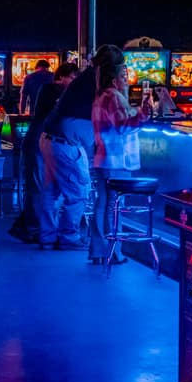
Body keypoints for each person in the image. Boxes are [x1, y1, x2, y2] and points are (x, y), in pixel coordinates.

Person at [90, 55, 148, 265]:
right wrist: (144, 113)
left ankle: (99, 251)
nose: (128, 80)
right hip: (116, 160)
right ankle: (114, 252)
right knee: (113, 206)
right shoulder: (114, 96)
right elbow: (123, 127)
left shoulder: (100, 96)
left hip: (103, 158)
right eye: (124, 76)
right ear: (115, 80)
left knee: (103, 203)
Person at [35, 63, 89, 250]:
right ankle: (69, 237)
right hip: (65, 144)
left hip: (48, 140)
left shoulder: (67, 90)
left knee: (51, 190)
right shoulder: (88, 88)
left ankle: (47, 237)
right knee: (78, 193)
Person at [8, 81, 63, 244]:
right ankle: (33, 228)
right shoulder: (48, 115)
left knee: (36, 188)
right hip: (37, 145)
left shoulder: (42, 114)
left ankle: (32, 227)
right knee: (37, 188)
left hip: (35, 144)